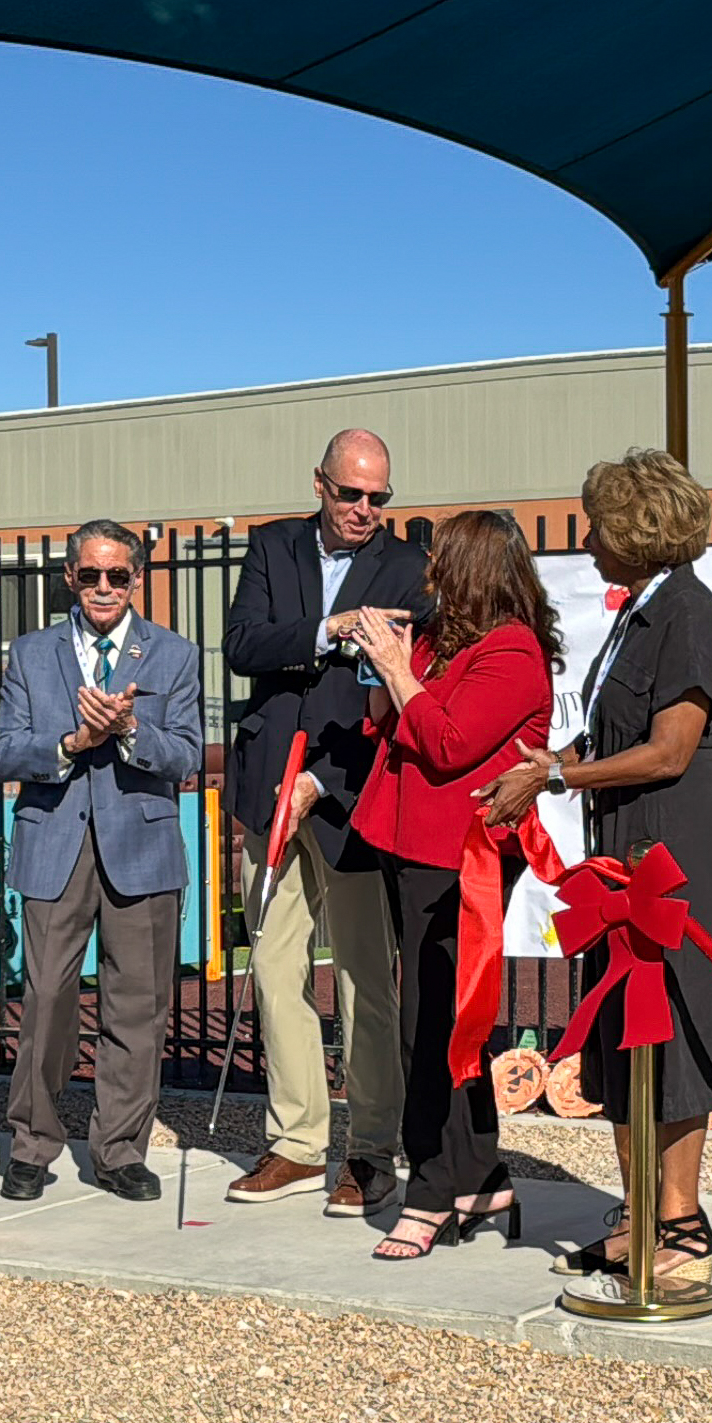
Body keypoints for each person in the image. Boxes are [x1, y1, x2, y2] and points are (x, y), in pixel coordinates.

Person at [477, 448, 712, 1300]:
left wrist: (557, 777)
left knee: (670, 1030)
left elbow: (671, 750)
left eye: (599, 522)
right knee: (623, 1034)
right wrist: (543, 763)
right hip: (623, 857)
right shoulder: (638, 612)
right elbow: (606, 741)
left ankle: (681, 1224)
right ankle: (639, 1216)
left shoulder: (690, 615)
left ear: (638, 530)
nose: (589, 537)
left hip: (675, 857)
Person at [220, 429, 432, 1215]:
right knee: (275, 971)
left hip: (353, 796)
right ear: (321, 485)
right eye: (352, 494)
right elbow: (243, 645)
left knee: (364, 981)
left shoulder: (410, 567)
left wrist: (323, 779)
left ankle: (371, 1151)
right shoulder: (272, 548)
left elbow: (405, 688)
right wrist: (329, 629)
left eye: (380, 497)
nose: (366, 510)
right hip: (266, 792)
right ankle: (297, 1142)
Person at [348, 511, 558, 1260]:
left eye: (440, 560)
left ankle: (431, 1190)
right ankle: (479, 1171)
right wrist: (388, 668)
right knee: (444, 1019)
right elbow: (394, 725)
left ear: (473, 570)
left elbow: (445, 743)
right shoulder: (447, 641)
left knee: (431, 1023)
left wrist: (404, 677)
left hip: (460, 859)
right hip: (411, 847)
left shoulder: (514, 652)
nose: (428, 572)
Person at [0, 519, 202, 1203]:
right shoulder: (29, 653)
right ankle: (32, 1144)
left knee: (137, 1007)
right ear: (70, 578)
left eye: (117, 575)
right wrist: (74, 739)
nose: (103, 587)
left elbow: (188, 755)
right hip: (55, 841)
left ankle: (119, 1151)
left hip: (142, 845)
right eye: (90, 574)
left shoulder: (173, 654)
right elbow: (2, 751)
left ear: (136, 579)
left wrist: (132, 729)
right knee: (47, 1000)